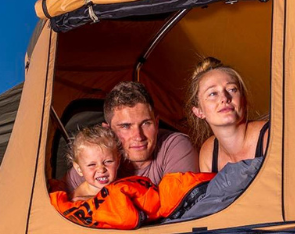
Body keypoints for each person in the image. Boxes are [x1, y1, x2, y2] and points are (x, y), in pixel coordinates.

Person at [51, 124, 213, 230]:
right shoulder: (74, 201)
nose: (101, 169)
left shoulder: (125, 187)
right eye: (92, 165)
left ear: (118, 161)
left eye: (108, 161)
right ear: (78, 169)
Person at [62, 81, 197, 191]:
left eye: (145, 123)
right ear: (108, 131)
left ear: (156, 124)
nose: (138, 136)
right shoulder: (95, 159)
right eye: (126, 126)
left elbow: (181, 212)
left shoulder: (175, 147)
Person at [186, 57, 270, 173]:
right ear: (199, 111)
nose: (224, 98)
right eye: (213, 93)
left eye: (232, 90)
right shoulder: (208, 153)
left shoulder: (269, 136)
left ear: (243, 99)